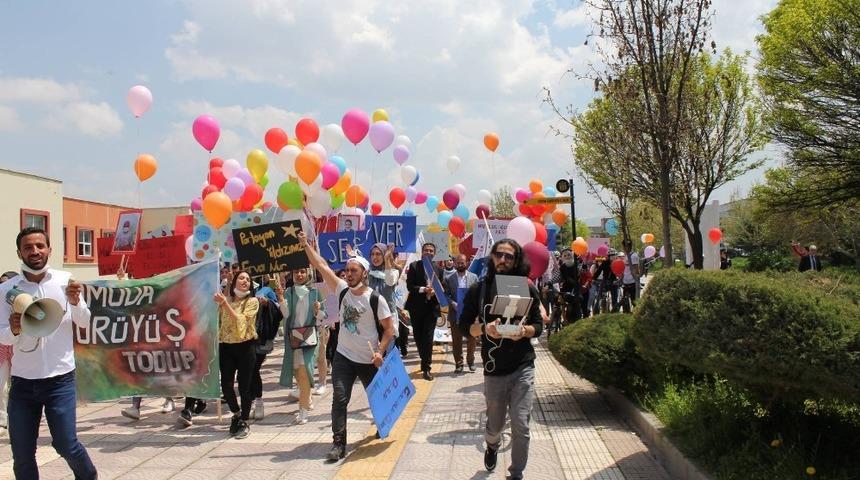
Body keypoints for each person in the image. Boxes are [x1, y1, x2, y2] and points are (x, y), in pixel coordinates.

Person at [0, 227, 98, 479]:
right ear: (19, 252)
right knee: (22, 456)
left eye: (40, 246)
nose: (35, 251)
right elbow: (1, 334)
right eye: (28, 247)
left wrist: (76, 302)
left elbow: (85, 322)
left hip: (60, 381)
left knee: (66, 445)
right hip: (23, 383)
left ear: (49, 249)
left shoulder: (65, 280)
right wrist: (12, 330)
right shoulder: (6, 290)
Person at [298, 231, 395, 462]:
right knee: (339, 399)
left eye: (354, 270)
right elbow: (321, 265)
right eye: (347, 270)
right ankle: (338, 444)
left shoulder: (375, 299)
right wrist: (305, 245)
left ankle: (383, 424)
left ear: (364, 273)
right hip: (343, 357)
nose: (348, 274)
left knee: (377, 398)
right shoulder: (341, 289)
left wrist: (380, 352)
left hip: (368, 359)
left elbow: (389, 330)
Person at [459, 239, 543, 480]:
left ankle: (516, 474)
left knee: (521, 424)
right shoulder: (480, 289)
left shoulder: (527, 287)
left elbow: (538, 325)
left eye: (509, 256)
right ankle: (492, 444)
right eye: (499, 255)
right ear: (492, 257)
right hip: (494, 368)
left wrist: (524, 332)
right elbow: (464, 326)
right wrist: (485, 329)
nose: (503, 260)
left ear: (517, 261)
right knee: (494, 425)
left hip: (523, 365)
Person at [213, 270, 259, 439]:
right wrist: (224, 301)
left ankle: (245, 420)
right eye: (241, 278)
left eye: (248, 279)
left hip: (246, 347)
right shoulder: (227, 300)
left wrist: (225, 304)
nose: (245, 281)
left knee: (244, 386)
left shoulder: (252, 301)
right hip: (226, 346)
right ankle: (237, 413)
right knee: (226, 385)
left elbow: (241, 321)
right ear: (234, 283)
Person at [277, 267, 325, 425]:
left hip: (309, 339)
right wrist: (281, 299)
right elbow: (285, 314)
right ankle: (307, 397)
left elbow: (322, 318)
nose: (299, 274)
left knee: (304, 373)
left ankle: (303, 411)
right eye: (296, 271)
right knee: (297, 372)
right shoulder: (289, 292)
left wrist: (318, 311)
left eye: (303, 271)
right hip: (293, 340)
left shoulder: (315, 292)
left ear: (308, 273)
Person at [405, 242, 443, 380]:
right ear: (422, 252)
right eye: (426, 250)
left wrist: (435, 292)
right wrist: (423, 290)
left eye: (431, 250)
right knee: (418, 336)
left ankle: (426, 367)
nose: (428, 252)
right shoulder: (414, 266)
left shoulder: (438, 269)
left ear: (434, 253)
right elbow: (410, 286)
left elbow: (442, 287)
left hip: (431, 309)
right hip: (416, 308)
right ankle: (423, 358)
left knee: (428, 338)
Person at [249, 275, 282, 420]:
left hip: (261, 338)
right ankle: (248, 403)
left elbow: (279, 310)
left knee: (253, 369)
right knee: (246, 371)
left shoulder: (266, 289)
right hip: (243, 338)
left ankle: (258, 402)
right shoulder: (236, 294)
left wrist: (268, 303)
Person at [444, 254, 479, 373]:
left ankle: (471, 361)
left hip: (470, 314)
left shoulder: (474, 277)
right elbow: (446, 295)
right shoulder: (449, 279)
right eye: (458, 263)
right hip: (455, 314)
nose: (460, 265)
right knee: (456, 340)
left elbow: (478, 294)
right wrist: (453, 303)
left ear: (467, 263)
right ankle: (458, 364)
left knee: (472, 338)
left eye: (462, 263)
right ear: (455, 263)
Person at [0, 271, 16, 432]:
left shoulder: (25, 302)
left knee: (19, 385)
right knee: (1, 385)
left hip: (19, 348)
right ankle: (2, 418)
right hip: (2, 348)